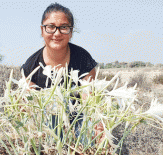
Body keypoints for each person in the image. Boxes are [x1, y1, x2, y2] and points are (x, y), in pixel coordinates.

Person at [20, 2, 104, 144]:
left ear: (71, 32)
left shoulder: (83, 58)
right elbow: (27, 108)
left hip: (78, 118)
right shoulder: (31, 66)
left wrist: (98, 125)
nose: (57, 33)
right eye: (51, 27)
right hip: (46, 124)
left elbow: (88, 100)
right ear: (42, 30)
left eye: (64, 27)